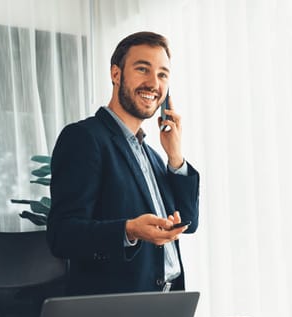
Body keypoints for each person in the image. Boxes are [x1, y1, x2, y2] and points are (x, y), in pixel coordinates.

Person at [46, 31, 199, 296]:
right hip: (117, 308)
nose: (154, 83)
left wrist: (175, 157)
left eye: (163, 74)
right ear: (116, 74)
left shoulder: (151, 155)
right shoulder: (84, 138)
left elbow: (188, 221)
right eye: (143, 69)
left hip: (168, 303)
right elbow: (63, 235)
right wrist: (129, 230)